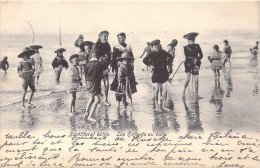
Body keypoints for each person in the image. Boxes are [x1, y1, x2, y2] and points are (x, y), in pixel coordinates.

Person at [143, 39, 172, 111]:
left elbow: (170, 57)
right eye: (155, 47)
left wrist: (168, 64)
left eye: (158, 46)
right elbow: (144, 60)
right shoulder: (151, 54)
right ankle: (157, 107)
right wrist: (150, 65)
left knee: (165, 91)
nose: (157, 48)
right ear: (152, 47)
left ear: (160, 45)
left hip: (164, 73)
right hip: (156, 74)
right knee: (156, 91)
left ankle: (163, 106)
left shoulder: (163, 52)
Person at [110, 32, 137, 105]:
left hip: (128, 67)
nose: (119, 39)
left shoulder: (129, 46)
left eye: (121, 38)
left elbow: (132, 57)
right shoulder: (116, 47)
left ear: (124, 38)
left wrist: (132, 65)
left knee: (128, 84)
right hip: (118, 67)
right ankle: (118, 101)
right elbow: (113, 58)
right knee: (118, 84)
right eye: (118, 38)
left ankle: (124, 101)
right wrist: (113, 68)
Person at [84, 52, 109, 122]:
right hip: (95, 83)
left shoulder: (87, 63)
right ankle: (90, 116)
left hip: (88, 82)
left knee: (91, 98)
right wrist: (105, 72)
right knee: (97, 100)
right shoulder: (98, 64)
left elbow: (85, 74)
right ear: (99, 58)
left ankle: (86, 113)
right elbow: (100, 75)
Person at [91, 30, 112, 106]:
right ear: (100, 37)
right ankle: (98, 99)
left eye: (107, 37)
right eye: (104, 36)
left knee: (107, 83)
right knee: (97, 84)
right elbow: (93, 58)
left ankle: (105, 99)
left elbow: (110, 58)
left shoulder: (107, 45)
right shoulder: (95, 46)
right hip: (96, 67)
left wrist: (108, 67)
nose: (106, 38)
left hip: (104, 67)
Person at [182, 32, 203, 99]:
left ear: (194, 40)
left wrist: (197, 59)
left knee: (196, 79)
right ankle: (183, 92)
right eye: (189, 40)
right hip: (188, 64)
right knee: (188, 79)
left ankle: (197, 94)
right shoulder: (185, 47)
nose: (191, 41)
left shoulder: (197, 46)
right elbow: (186, 57)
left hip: (196, 63)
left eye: (192, 40)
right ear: (188, 40)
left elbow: (201, 55)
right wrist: (186, 62)